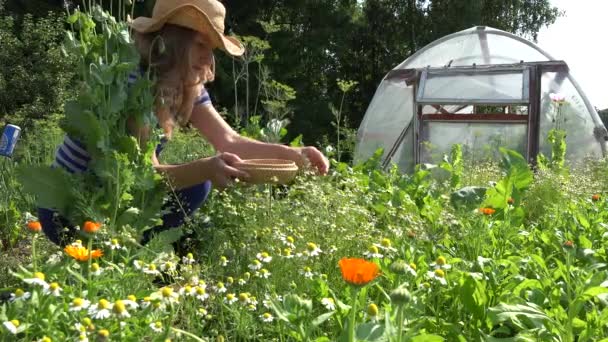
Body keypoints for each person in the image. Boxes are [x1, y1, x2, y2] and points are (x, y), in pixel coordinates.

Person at [38, 0, 329, 246]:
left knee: (195, 184)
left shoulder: (187, 85)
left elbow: (230, 141)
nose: (208, 58)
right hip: (70, 207)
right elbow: (143, 176)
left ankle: (128, 262)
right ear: (170, 42)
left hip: (112, 204)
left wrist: (296, 155)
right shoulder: (130, 85)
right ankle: (120, 262)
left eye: (212, 48)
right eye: (201, 44)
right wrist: (205, 168)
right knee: (197, 181)